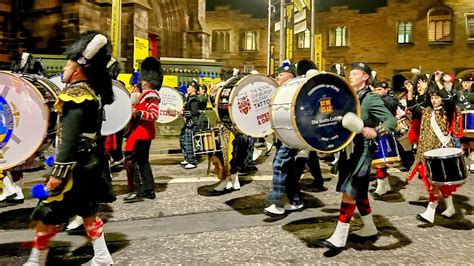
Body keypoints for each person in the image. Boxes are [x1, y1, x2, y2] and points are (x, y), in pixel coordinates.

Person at [23, 31, 115, 265]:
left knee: (45, 212)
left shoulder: (75, 96)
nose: (64, 69)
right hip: (89, 165)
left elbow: (69, 140)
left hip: (74, 168)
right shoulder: (91, 94)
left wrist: (57, 174)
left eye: (67, 65)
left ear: (77, 70)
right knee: (87, 211)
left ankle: (35, 261)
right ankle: (103, 257)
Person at [316, 62, 397, 252]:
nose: (350, 76)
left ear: (365, 77)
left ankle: (339, 236)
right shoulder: (348, 96)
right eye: (350, 73)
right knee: (359, 191)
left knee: (350, 189)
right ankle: (369, 227)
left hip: (363, 148)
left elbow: (391, 120)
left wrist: (376, 131)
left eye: (355, 73)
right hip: (349, 147)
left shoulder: (370, 99)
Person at [406, 86, 462, 223]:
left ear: (442, 99)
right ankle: (450, 208)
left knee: (435, 183)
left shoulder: (448, 111)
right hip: (428, 152)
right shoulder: (427, 111)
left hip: (442, 151)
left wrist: (439, 83)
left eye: (437, 97)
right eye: (432, 98)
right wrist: (410, 92)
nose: (434, 100)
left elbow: (451, 102)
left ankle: (430, 211)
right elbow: (413, 107)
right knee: (439, 183)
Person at [264, 60, 303, 215]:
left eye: (280, 74)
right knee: (288, 168)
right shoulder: (283, 91)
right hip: (284, 135)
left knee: (279, 165)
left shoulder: (296, 90)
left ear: (290, 76)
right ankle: (296, 200)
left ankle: (277, 203)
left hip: (291, 135)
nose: (277, 77)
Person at [123, 57, 162, 203]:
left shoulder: (151, 95)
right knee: (143, 162)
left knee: (132, 162)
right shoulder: (143, 95)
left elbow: (153, 115)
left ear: (149, 80)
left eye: (144, 78)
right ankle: (149, 190)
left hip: (141, 134)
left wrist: (137, 113)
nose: (141, 80)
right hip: (140, 133)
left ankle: (137, 191)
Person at [179, 83, 207, 169]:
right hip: (189, 122)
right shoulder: (189, 98)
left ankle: (192, 161)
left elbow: (194, 112)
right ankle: (187, 158)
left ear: (194, 90)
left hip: (193, 123)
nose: (187, 89)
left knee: (189, 141)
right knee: (182, 138)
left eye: (189, 88)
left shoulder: (194, 99)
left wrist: (183, 113)